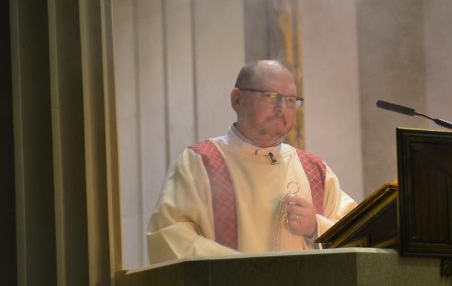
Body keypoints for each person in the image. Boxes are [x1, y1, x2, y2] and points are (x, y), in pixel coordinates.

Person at [147, 60, 357, 264]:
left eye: (291, 100)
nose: (281, 108)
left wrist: (316, 228)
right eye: (271, 96)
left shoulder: (315, 170)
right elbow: (168, 235)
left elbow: (358, 235)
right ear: (237, 99)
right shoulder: (201, 163)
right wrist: (248, 270)